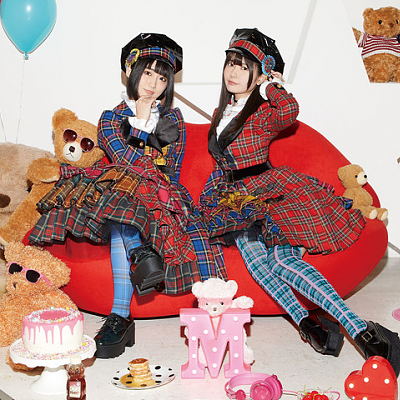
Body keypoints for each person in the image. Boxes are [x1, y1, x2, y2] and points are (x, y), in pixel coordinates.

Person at [199, 27, 400, 375]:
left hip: (270, 192)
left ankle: (360, 331)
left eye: (245, 66)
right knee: (257, 262)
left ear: (259, 73)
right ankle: (309, 324)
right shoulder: (222, 112)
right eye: (231, 63)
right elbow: (223, 163)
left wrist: (268, 85)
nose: (234, 71)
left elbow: (290, 110)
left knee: (281, 262)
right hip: (235, 200)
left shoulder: (263, 111)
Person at [29, 33, 225, 358]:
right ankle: (140, 257)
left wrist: (150, 129)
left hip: (161, 197)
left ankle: (120, 316)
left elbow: (170, 172)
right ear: (131, 71)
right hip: (122, 196)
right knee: (122, 197)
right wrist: (141, 123)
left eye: (162, 78)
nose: (153, 84)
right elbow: (123, 161)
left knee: (127, 199)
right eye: (147, 73)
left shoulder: (173, 120)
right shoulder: (110, 118)